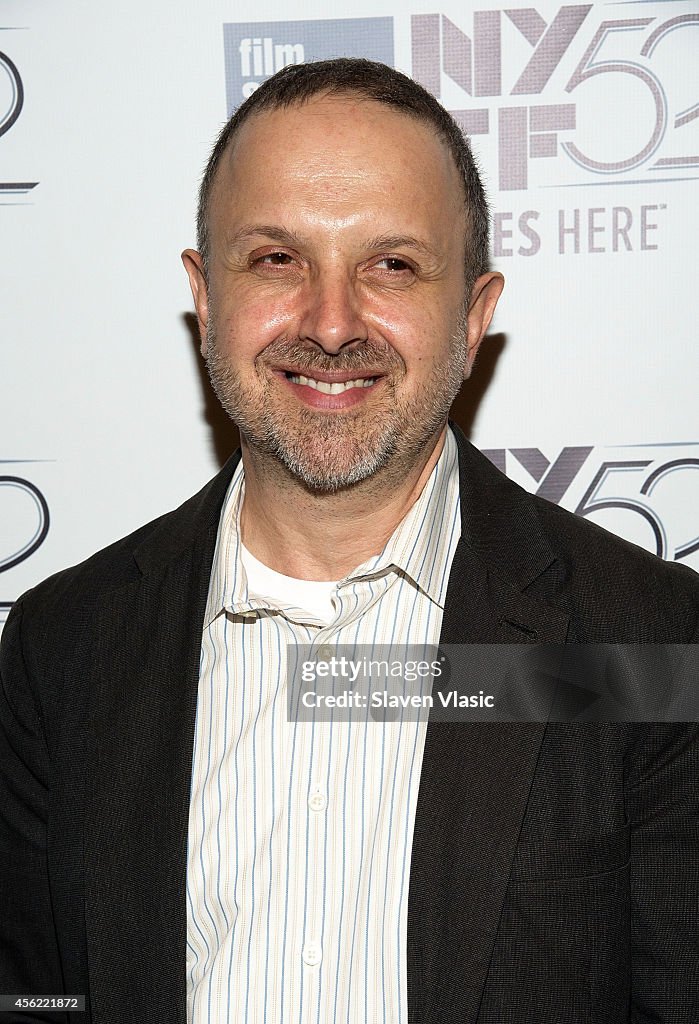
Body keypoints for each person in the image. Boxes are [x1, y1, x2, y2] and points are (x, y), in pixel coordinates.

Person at [0, 58, 697, 1024]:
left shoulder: (643, 640)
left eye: (392, 265)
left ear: (475, 315)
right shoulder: (62, 648)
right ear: (205, 295)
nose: (331, 325)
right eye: (276, 259)